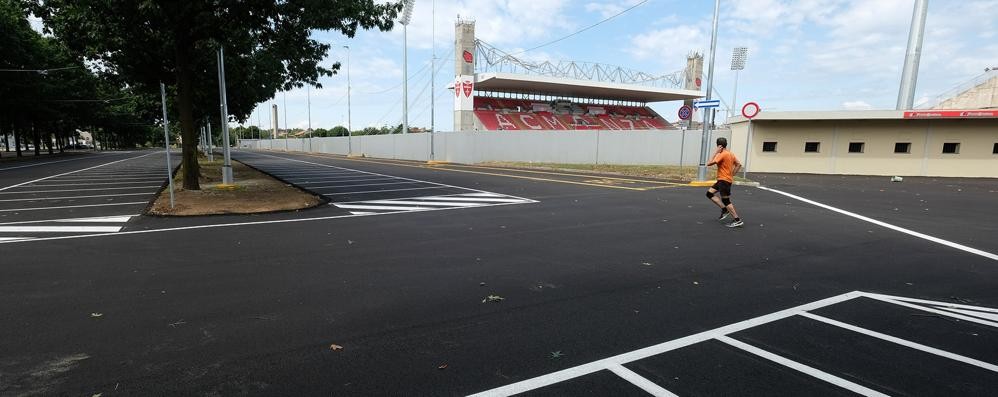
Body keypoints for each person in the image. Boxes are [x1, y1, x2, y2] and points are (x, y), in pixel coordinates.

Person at [705, 137, 743, 228]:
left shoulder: (721, 154)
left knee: (726, 200)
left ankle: (737, 220)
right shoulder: (730, 154)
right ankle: (724, 209)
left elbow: (709, 163)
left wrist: (716, 152)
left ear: (719, 146)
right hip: (722, 180)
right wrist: (732, 174)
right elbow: (739, 164)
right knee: (709, 193)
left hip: (723, 180)